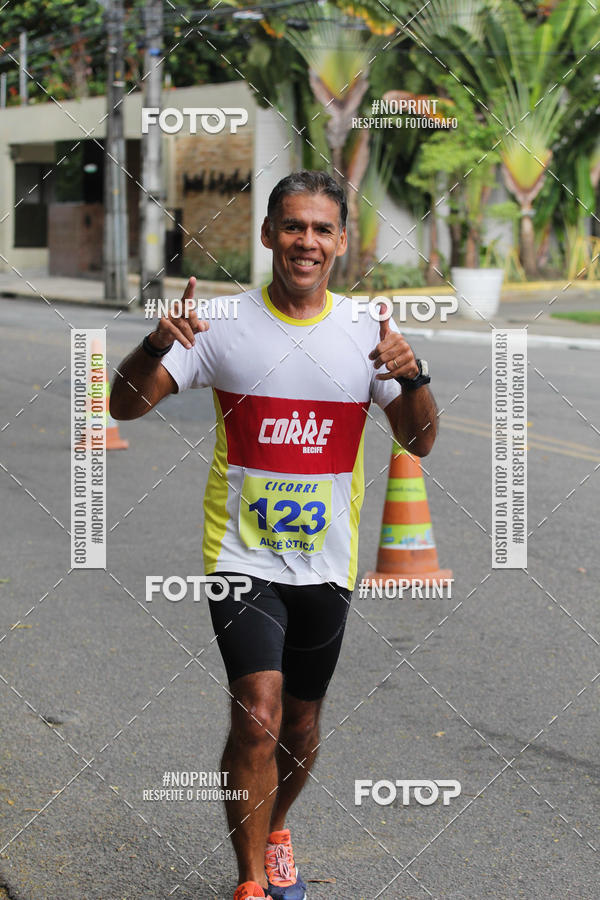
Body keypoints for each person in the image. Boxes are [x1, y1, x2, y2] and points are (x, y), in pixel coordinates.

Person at [110, 170, 438, 900]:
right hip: (240, 555)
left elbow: (419, 441)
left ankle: (278, 824)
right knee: (256, 713)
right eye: (293, 226)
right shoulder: (222, 325)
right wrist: (154, 344)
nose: (307, 242)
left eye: (323, 229)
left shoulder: (368, 330)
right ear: (267, 235)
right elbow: (125, 405)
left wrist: (414, 379)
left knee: (302, 720)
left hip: (326, 562)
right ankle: (251, 881)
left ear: (342, 242)